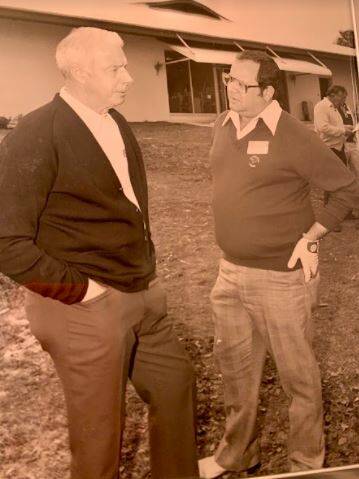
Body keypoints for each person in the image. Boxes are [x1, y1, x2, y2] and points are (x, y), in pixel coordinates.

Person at [0, 27, 198, 479]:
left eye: (125, 65)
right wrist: (83, 292)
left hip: (141, 293)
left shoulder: (114, 120)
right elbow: (6, 243)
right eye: (116, 68)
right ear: (78, 72)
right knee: (99, 440)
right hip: (84, 307)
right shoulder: (36, 133)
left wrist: (144, 272)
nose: (128, 77)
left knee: (174, 386)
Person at [199, 50, 359, 479]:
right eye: (228, 79)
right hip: (229, 272)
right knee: (236, 372)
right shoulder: (223, 124)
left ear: (268, 92)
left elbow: (346, 189)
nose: (230, 88)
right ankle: (237, 455)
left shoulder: (295, 136)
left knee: (299, 381)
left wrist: (312, 235)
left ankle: (305, 466)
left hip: (282, 278)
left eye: (241, 84)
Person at [314, 85, 354, 232]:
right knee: (331, 184)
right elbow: (323, 127)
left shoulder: (334, 107)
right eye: (342, 97)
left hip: (338, 147)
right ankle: (330, 220)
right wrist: (343, 130)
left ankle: (344, 212)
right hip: (329, 149)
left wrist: (346, 128)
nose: (343, 101)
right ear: (333, 94)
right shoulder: (321, 106)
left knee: (343, 181)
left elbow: (334, 126)